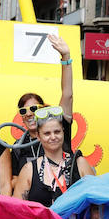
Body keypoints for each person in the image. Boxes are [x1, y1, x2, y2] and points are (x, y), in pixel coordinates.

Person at [10, 34, 76, 171]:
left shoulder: (58, 127)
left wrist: (66, 57)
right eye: (23, 111)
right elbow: (14, 180)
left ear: (43, 109)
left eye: (34, 108)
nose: (28, 114)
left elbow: (67, 94)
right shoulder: (18, 147)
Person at [12, 106, 94, 207]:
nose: (53, 137)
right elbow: (16, 210)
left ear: (63, 131)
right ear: (38, 136)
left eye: (57, 132)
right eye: (47, 133)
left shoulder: (80, 163)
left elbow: (97, 204)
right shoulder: (29, 170)